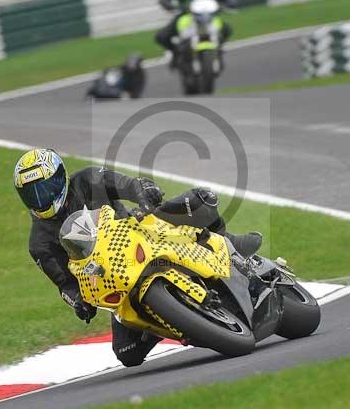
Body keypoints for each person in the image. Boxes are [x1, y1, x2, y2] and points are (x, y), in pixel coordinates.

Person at [13, 148, 262, 367]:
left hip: (137, 232)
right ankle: (173, 317)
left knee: (196, 201)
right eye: (31, 194)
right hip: (114, 275)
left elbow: (124, 184)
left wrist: (142, 190)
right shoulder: (39, 243)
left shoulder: (86, 179)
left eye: (45, 188)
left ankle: (230, 244)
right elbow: (65, 283)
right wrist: (78, 301)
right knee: (127, 353)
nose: (41, 198)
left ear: (60, 177)